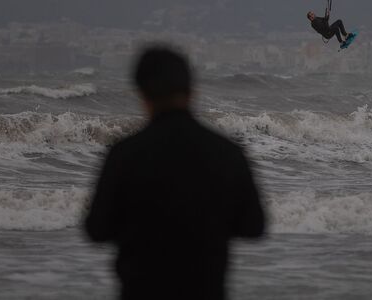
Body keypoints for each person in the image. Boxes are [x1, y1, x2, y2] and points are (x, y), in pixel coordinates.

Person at [84, 46, 267, 300]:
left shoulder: (124, 154)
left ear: (142, 94)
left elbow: (96, 229)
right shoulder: (227, 152)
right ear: (192, 91)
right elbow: (254, 226)